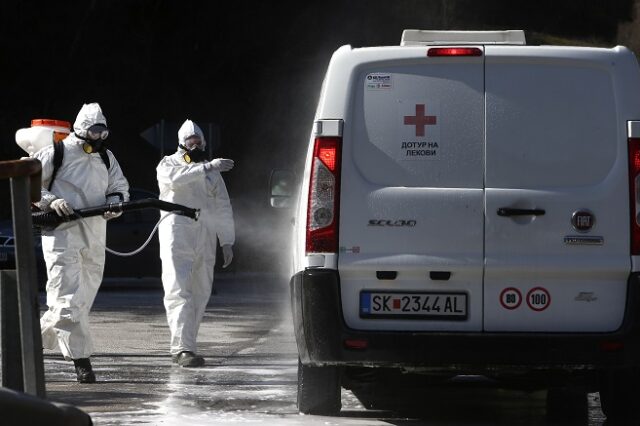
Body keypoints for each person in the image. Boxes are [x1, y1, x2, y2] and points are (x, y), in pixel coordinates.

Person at [34, 102, 130, 383]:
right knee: (66, 299)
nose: (100, 138)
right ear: (82, 130)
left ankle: (27, 340)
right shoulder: (57, 152)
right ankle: (82, 361)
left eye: (104, 132)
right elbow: (30, 182)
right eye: (95, 131)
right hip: (63, 233)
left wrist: (115, 202)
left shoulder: (107, 158)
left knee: (82, 300)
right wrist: (53, 201)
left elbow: (119, 186)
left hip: (96, 232)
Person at [156, 119, 235, 367]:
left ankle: (189, 344)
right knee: (179, 289)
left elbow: (222, 205)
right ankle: (181, 348)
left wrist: (227, 240)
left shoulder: (210, 171)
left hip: (205, 230)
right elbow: (176, 179)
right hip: (177, 229)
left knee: (201, 290)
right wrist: (208, 167)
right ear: (181, 143)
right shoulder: (168, 163)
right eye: (191, 142)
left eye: (199, 142)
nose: (196, 145)